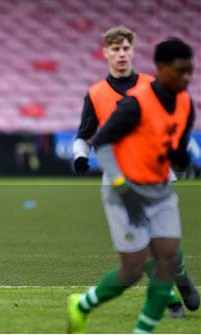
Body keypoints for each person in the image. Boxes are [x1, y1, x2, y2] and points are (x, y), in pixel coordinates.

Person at [68, 38, 196, 333]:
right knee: (139, 261)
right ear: (106, 53)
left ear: (134, 52)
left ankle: (176, 280)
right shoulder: (102, 94)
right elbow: (89, 135)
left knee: (166, 251)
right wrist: (80, 156)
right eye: (116, 49)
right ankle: (169, 296)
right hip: (122, 178)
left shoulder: (169, 91)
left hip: (159, 178)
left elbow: (175, 136)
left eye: (126, 48)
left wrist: (180, 156)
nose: (122, 54)